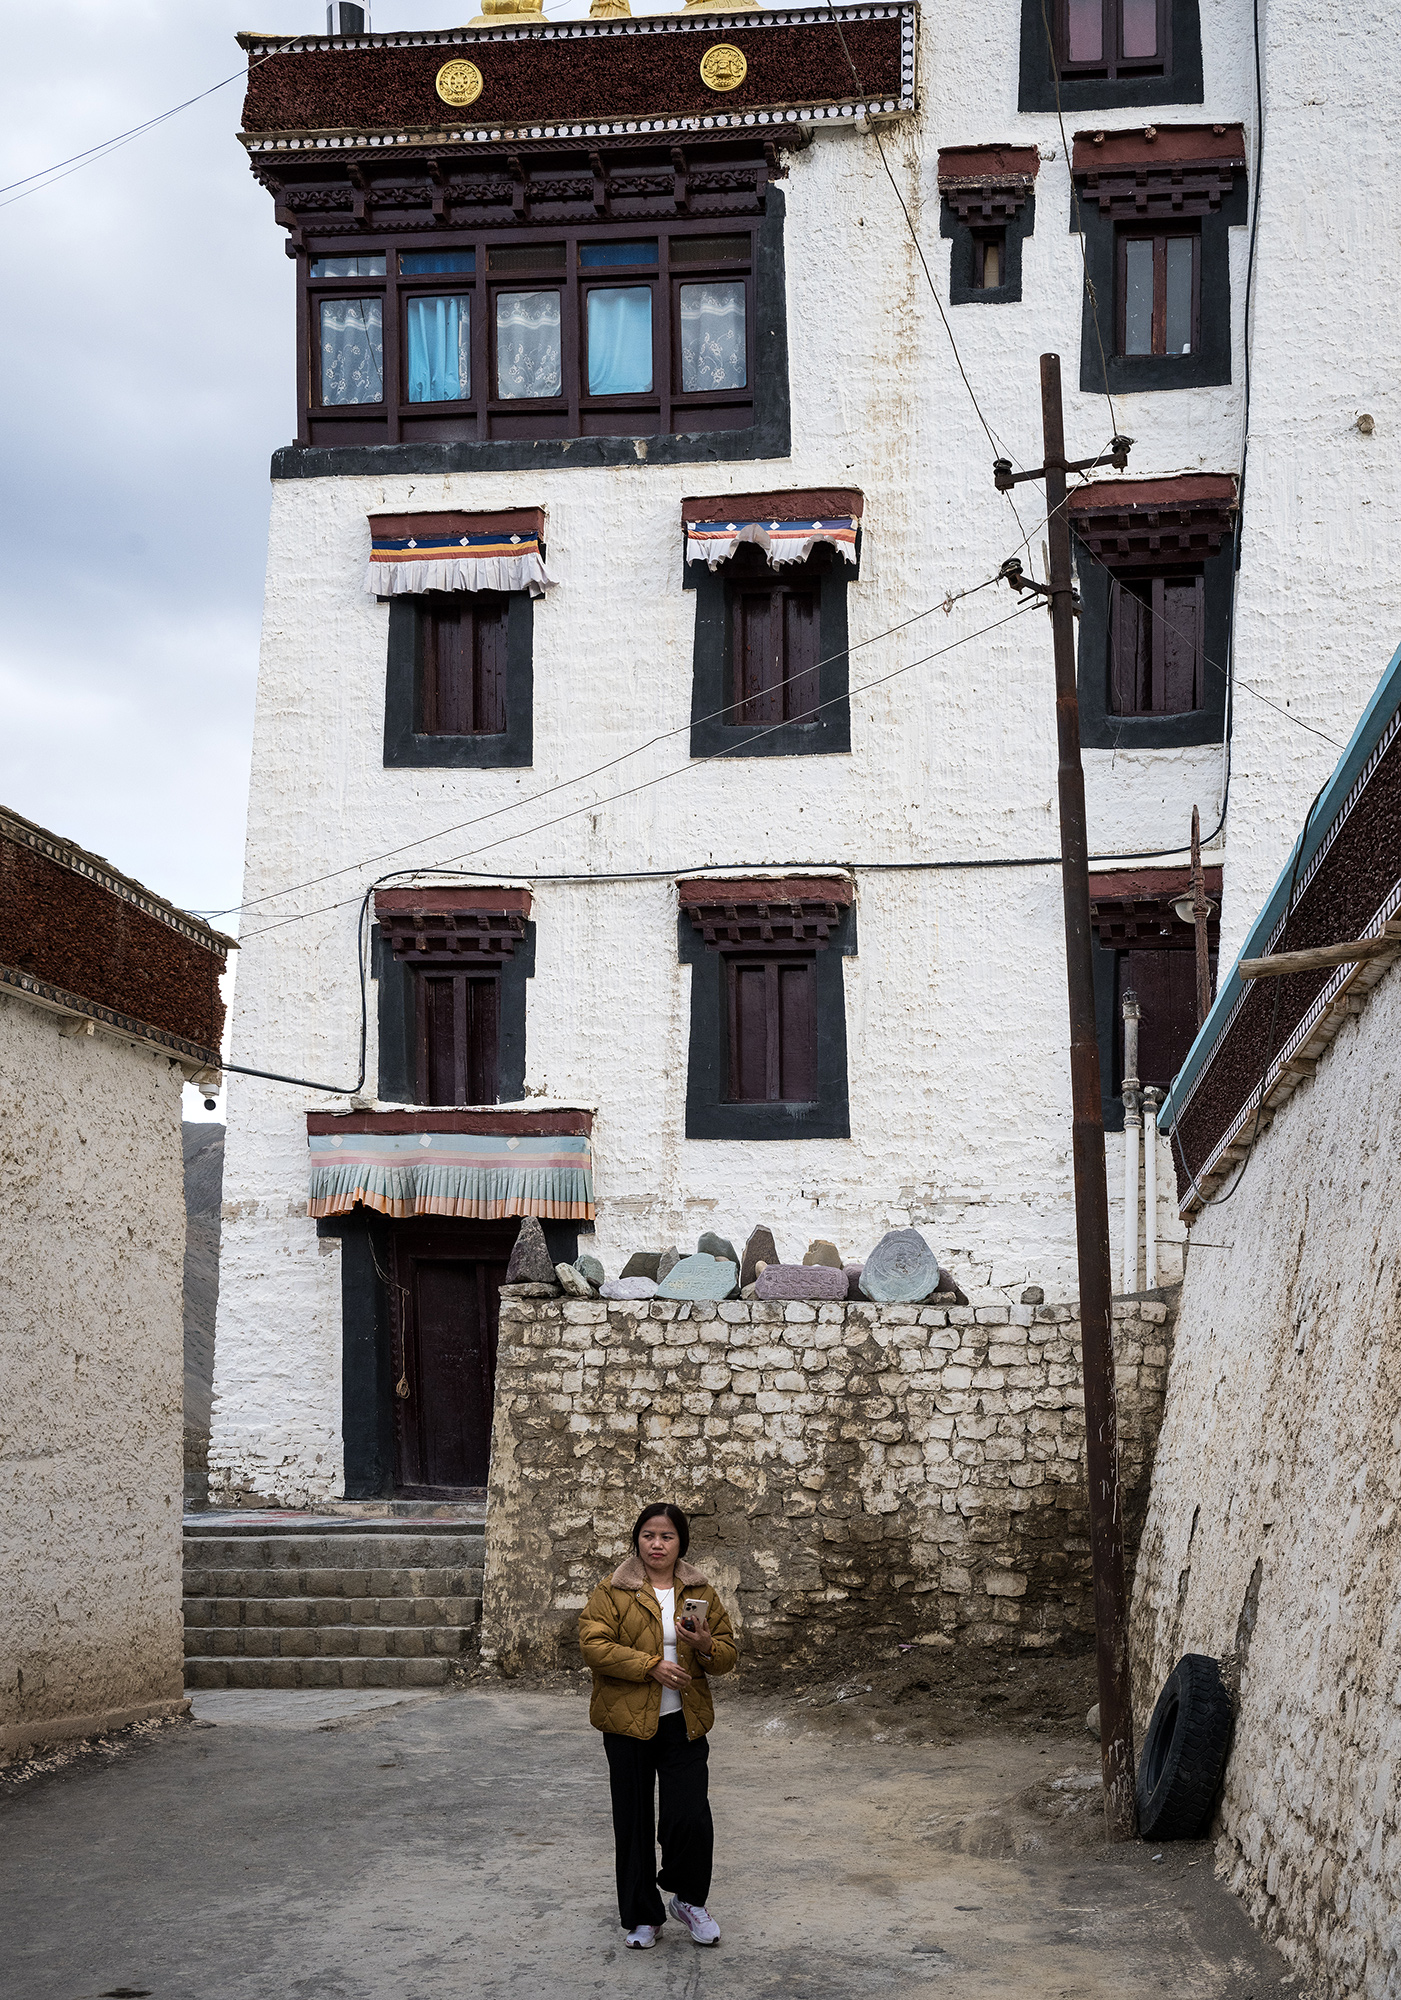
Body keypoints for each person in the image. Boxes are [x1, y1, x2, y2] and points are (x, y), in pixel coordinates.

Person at [578, 1502, 737, 1950]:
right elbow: (593, 1644)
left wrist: (706, 1645)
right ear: (637, 1540)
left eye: (666, 1536)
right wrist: (650, 1665)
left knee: (689, 1817)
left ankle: (689, 1900)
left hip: (684, 1722)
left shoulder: (700, 1588)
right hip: (626, 1722)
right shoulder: (613, 1589)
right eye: (649, 1535)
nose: (657, 1544)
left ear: (680, 1542)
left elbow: (727, 1655)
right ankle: (643, 1916)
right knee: (632, 1821)